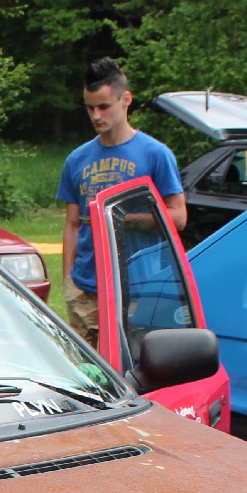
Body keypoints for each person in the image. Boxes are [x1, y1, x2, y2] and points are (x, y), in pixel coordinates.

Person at [56, 58, 185, 347]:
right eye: (90, 108)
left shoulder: (156, 154)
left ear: (126, 99)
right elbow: (72, 224)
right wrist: (69, 281)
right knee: (86, 369)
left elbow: (178, 217)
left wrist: (120, 219)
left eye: (104, 106)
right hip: (85, 288)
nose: (96, 115)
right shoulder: (76, 160)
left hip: (137, 287)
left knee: (131, 367)